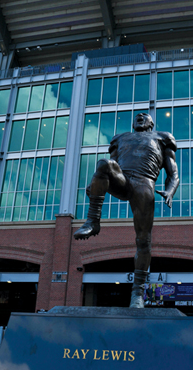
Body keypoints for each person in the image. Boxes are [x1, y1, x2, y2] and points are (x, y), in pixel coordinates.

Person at [74, 113, 180, 307]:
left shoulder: (162, 137)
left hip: (144, 183)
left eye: (145, 116)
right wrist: (96, 182)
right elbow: (109, 165)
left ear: (151, 123)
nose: (140, 116)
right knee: (105, 164)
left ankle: (138, 292)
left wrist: (170, 191)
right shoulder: (121, 138)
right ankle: (93, 221)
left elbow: (173, 172)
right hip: (122, 179)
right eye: (137, 116)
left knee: (143, 240)